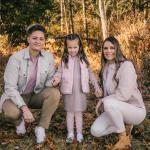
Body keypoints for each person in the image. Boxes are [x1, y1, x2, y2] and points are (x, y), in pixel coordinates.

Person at [0, 24, 60, 144]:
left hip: (35, 95)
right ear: (28, 39)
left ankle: (41, 128)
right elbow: (9, 87)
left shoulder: (48, 57)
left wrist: (54, 81)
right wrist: (24, 109)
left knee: (54, 93)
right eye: (34, 38)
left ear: (44, 41)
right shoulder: (16, 58)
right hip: (15, 96)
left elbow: (48, 82)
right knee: (12, 113)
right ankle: (19, 122)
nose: (38, 41)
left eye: (41, 39)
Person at [90, 36, 146, 149]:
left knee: (109, 103)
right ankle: (125, 125)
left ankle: (123, 138)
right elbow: (108, 96)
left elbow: (123, 95)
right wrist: (100, 94)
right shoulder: (105, 68)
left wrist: (104, 100)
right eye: (105, 48)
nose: (108, 51)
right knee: (95, 131)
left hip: (135, 110)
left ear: (117, 49)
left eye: (112, 48)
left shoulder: (126, 65)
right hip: (116, 108)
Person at [50, 34, 101, 143]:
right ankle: (70, 133)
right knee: (69, 112)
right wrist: (56, 79)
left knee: (78, 113)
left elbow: (91, 74)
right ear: (66, 47)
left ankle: (79, 133)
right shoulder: (64, 60)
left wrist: (96, 86)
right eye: (70, 47)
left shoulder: (84, 59)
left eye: (75, 47)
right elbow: (59, 72)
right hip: (68, 91)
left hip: (80, 91)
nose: (72, 50)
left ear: (80, 47)